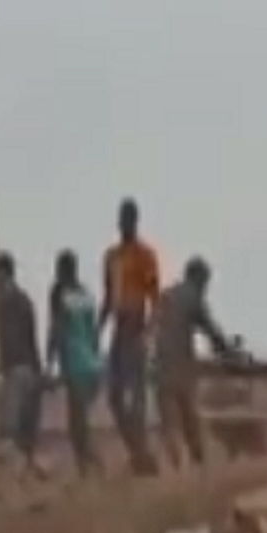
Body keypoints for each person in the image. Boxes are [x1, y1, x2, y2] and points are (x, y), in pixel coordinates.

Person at [152, 256, 240, 469]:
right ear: (199, 279)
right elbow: (212, 332)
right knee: (191, 419)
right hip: (181, 367)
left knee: (170, 424)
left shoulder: (166, 295)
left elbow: (153, 328)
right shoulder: (193, 297)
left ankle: (176, 468)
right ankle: (198, 466)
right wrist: (231, 353)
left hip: (160, 365)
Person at [99, 197, 162, 473]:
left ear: (136, 221)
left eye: (128, 218)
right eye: (121, 218)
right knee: (114, 397)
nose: (124, 223)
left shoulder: (145, 255)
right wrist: (97, 330)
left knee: (137, 398)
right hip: (118, 328)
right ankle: (138, 452)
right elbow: (108, 297)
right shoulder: (111, 256)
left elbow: (155, 298)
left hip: (136, 326)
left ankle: (143, 456)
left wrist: (149, 331)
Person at [45, 249, 102, 474]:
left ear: (61, 271)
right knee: (80, 419)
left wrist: (50, 363)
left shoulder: (59, 294)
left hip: (75, 364)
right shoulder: (86, 296)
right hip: (92, 365)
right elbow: (94, 332)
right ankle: (88, 465)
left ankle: (90, 467)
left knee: (77, 423)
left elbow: (57, 330)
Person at [0, 252, 45, 468]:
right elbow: (32, 337)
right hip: (25, 367)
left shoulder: (5, 302)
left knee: (10, 428)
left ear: (3, 273)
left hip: (15, 368)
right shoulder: (23, 300)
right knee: (23, 428)